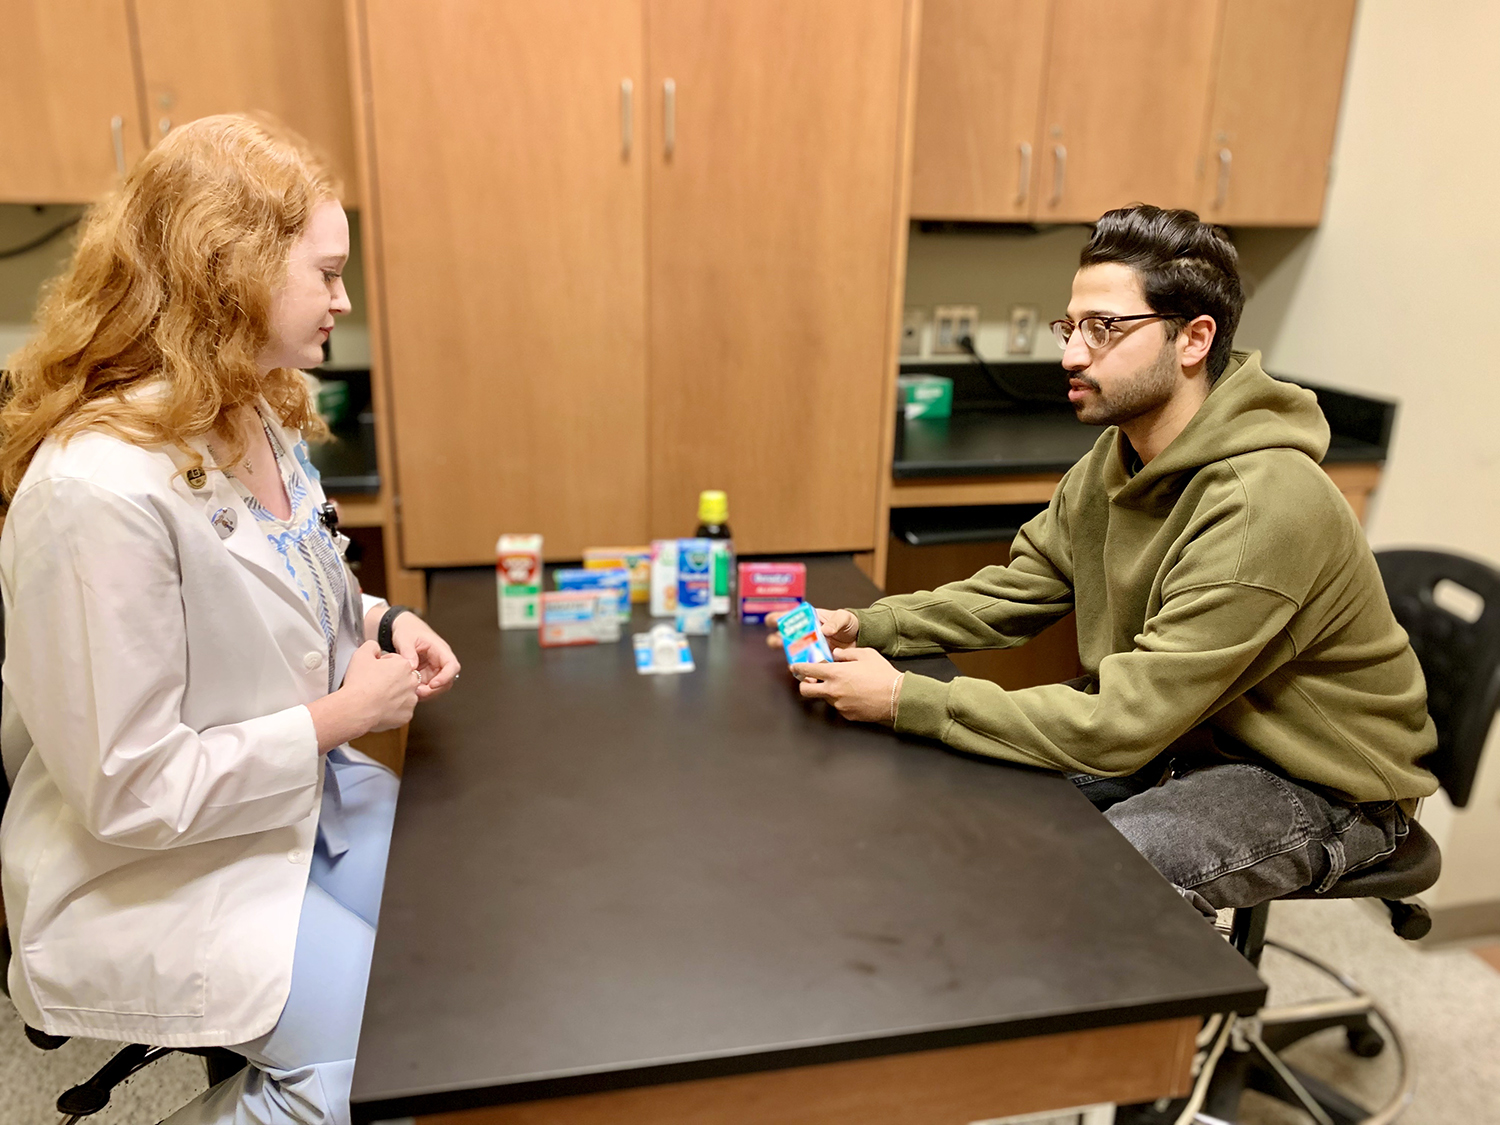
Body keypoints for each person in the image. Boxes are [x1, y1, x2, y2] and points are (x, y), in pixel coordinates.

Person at [779, 204, 1437, 917]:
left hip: (1323, 779)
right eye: (1072, 327)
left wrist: (907, 698)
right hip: (1192, 724)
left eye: (1104, 328)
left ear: (1193, 339)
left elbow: (1124, 722)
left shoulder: (1262, 504)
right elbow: (1019, 589)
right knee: (984, 801)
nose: (1069, 354)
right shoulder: (1121, 455)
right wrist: (870, 626)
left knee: (1093, 877)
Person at [0, 115, 459, 1124]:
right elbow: (130, 787)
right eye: (327, 274)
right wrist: (345, 717)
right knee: (369, 1067)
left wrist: (383, 626)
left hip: (285, 809)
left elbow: (286, 589)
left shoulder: (246, 407)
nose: (345, 300)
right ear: (230, 271)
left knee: (461, 925)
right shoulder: (96, 490)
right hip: (151, 869)